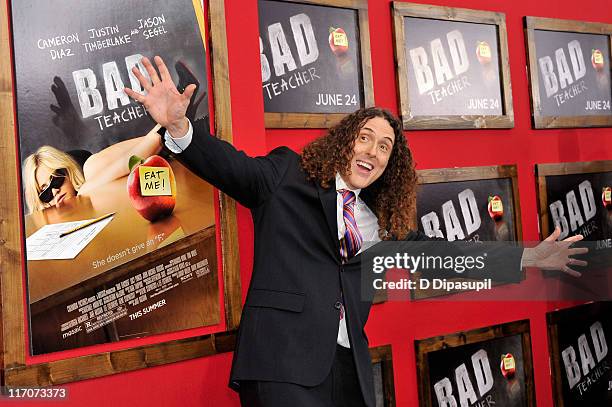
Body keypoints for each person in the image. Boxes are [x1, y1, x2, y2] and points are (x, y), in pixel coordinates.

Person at [125, 56, 587, 407]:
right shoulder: (288, 175)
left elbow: (441, 255)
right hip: (283, 364)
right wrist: (180, 126)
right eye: (365, 137)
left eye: (385, 146)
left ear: (391, 164)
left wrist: (527, 257)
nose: (373, 150)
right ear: (345, 140)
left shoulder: (380, 222)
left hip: (348, 370)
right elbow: (233, 170)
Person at [22, 126, 163, 213]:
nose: (54, 191)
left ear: (68, 172)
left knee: (91, 169)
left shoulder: (91, 170)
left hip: (159, 184)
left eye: (55, 179)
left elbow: (148, 143)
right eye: (44, 191)